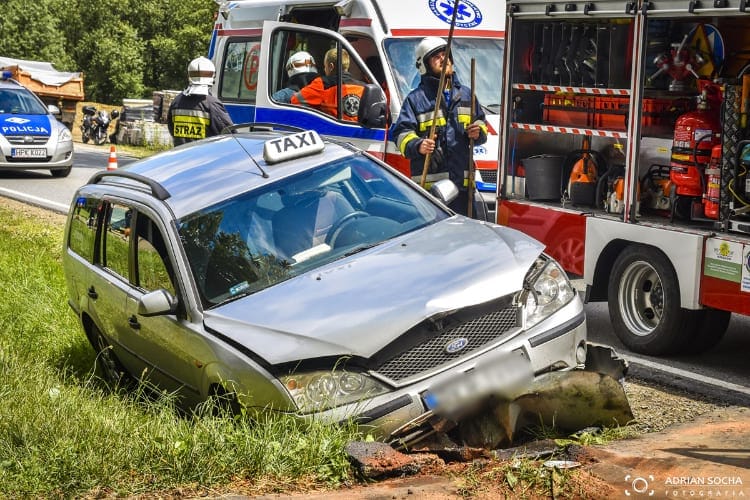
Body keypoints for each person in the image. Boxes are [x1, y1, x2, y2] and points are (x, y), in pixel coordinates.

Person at [389, 37, 488, 216]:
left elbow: (481, 121)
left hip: (464, 189)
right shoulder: (416, 100)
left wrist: (478, 131)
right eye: (436, 56)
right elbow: (401, 134)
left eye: (446, 54)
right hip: (432, 193)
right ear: (423, 65)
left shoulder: (465, 94)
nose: (444, 59)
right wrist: (418, 145)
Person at [167, 56, 234, 146]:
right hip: (204, 157)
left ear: (189, 76)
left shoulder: (176, 101)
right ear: (212, 75)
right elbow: (229, 133)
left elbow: (171, 129)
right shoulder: (212, 104)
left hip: (181, 156)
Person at [290, 48, 365, 122]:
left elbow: (295, 100)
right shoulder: (363, 87)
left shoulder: (322, 84)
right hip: (356, 131)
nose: (324, 69)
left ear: (331, 66)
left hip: (332, 131)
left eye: (325, 66)